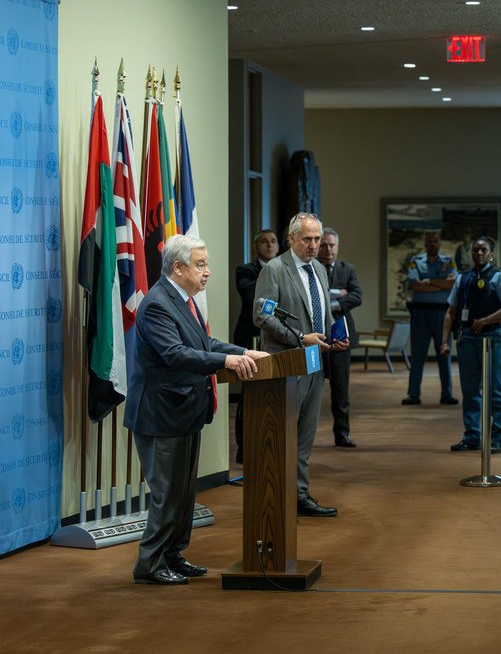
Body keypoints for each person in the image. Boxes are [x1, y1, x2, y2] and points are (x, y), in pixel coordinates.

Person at [125, 235, 268, 585]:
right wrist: (226, 360)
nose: (208, 272)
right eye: (201, 265)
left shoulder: (184, 301)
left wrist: (242, 352)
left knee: (184, 493)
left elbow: (203, 344)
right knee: (167, 493)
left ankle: (173, 555)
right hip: (160, 415)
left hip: (183, 411)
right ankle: (150, 563)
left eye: (206, 264)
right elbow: (175, 354)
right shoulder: (158, 304)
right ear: (178, 267)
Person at [254, 213, 350, 517]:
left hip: (314, 361)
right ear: (291, 238)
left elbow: (323, 312)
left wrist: (335, 335)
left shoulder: (319, 269)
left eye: (317, 239)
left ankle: (299, 494)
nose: (313, 245)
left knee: (306, 435)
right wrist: (299, 337)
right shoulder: (274, 270)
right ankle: (277, 496)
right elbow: (262, 316)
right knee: (283, 434)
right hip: (286, 363)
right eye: (307, 239)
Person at [440, 237, 501, 453]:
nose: (479, 253)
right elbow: (450, 312)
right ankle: (472, 436)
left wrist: (485, 321)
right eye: (476, 250)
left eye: (484, 249)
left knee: (495, 389)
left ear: (491, 253)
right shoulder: (463, 278)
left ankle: (499, 437)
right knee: (470, 390)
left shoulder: (499, 277)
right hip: (467, 339)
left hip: (493, 338)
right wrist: (444, 341)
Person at [232, 229, 280, 464]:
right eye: (264, 242)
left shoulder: (285, 271)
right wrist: (271, 275)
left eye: (273, 241)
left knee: (273, 394)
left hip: (275, 338)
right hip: (249, 337)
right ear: (256, 246)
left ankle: (269, 445)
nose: (269, 245)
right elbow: (252, 294)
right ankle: (243, 449)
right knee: (248, 394)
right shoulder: (246, 270)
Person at [317, 227, 363, 447]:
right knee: (309, 387)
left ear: (338, 247)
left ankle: (342, 433)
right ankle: (301, 433)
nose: (327, 249)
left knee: (341, 388)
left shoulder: (348, 269)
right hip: (314, 336)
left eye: (331, 245)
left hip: (341, 335)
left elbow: (356, 296)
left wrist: (332, 302)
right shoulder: (311, 269)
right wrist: (336, 293)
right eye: (323, 245)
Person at [404, 232, 458, 405]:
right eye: (429, 241)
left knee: (444, 354)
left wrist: (428, 282)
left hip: (443, 314)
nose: (432, 244)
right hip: (420, 314)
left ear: (440, 243)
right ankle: (413, 395)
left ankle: (447, 395)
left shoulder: (449, 261)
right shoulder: (415, 261)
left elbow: (451, 284)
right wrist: (440, 284)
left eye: (436, 241)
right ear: (425, 243)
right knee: (418, 355)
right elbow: (414, 285)